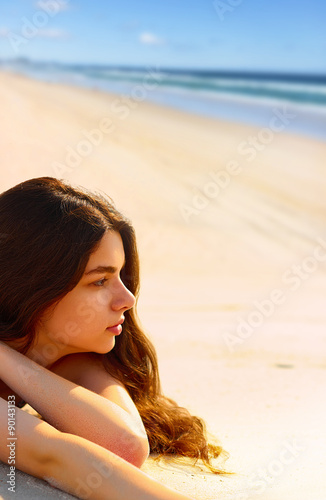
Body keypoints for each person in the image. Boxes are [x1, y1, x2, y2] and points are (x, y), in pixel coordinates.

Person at [0, 177, 225, 499]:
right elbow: (50, 455)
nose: (127, 298)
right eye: (100, 281)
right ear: (32, 286)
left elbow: (123, 444)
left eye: (121, 276)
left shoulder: (67, 355)